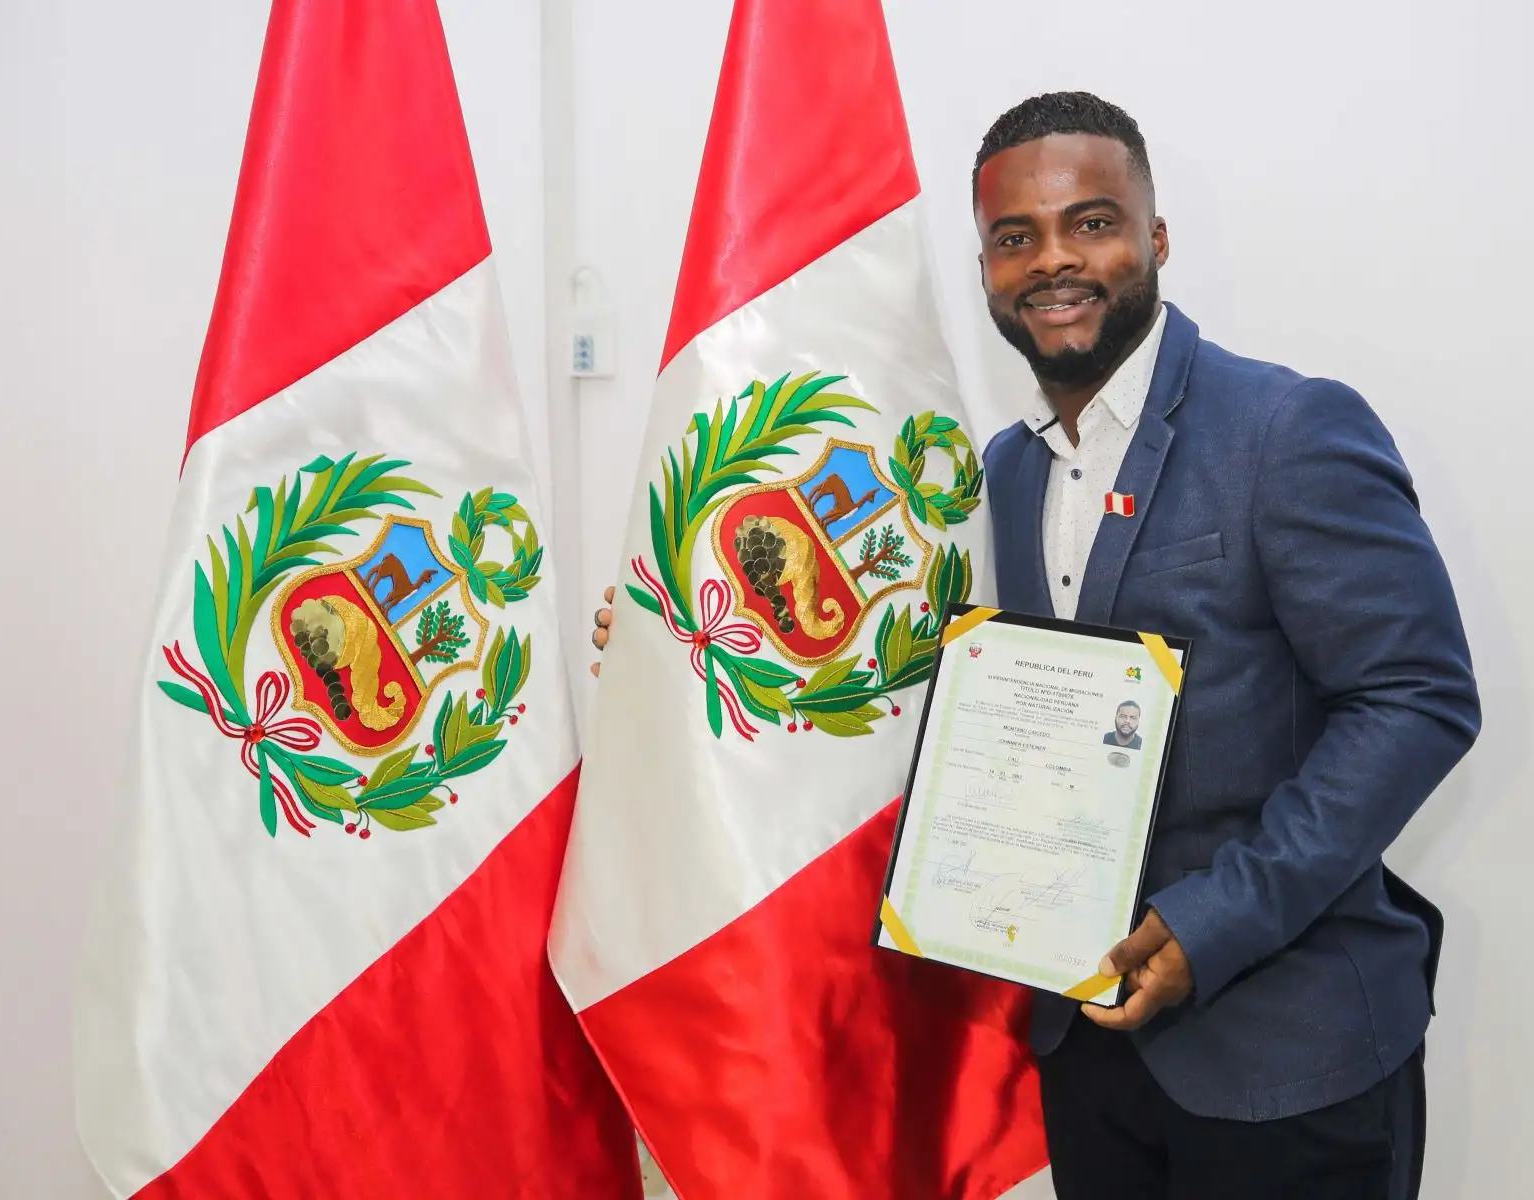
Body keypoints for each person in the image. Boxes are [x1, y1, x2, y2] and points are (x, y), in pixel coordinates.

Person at [594, 91, 1479, 1200]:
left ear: (1154, 240)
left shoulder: (1287, 431)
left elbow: (1416, 701)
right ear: (985, 273)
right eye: (1016, 239)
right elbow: (896, 668)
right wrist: (674, 643)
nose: (1054, 260)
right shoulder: (996, 478)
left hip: (1286, 1059)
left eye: (1092, 223)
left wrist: (1209, 926)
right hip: (1084, 1055)